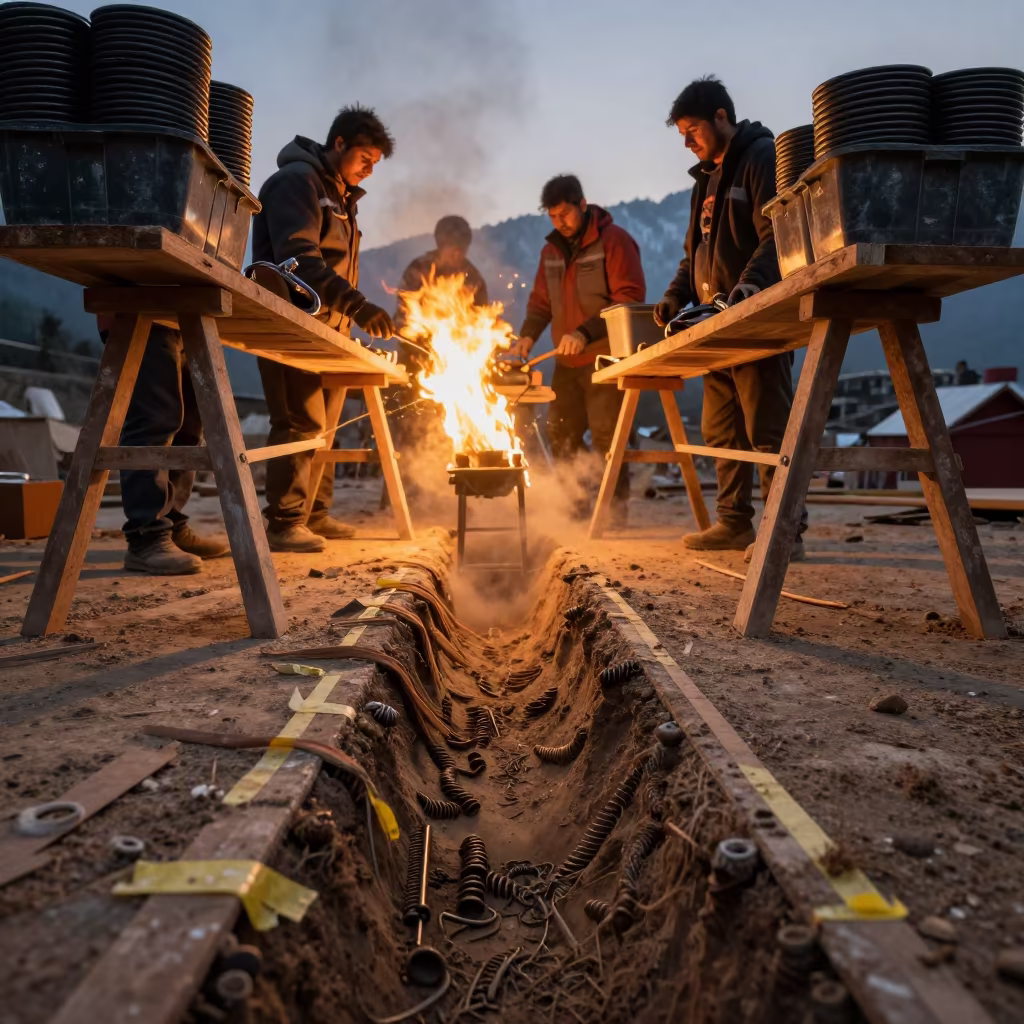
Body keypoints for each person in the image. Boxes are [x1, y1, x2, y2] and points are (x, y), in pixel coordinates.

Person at [655, 76, 806, 561]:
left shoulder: (761, 158)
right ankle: (734, 523)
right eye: (681, 133)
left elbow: (775, 234)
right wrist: (676, 295)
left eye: (692, 128)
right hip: (714, 325)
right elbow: (693, 254)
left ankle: (783, 532)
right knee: (721, 430)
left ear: (721, 117)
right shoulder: (706, 179)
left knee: (767, 430)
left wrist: (751, 285)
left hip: (757, 321)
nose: (686, 140)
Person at [252, 105, 396, 553]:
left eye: (375, 165)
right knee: (299, 420)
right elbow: (299, 261)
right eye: (365, 159)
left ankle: (314, 513)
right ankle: (284, 522)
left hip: (330, 330)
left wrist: (350, 317)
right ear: (339, 144)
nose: (369, 171)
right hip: (290, 322)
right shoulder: (296, 183)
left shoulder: (340, 197)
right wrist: (358, 305)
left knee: (326, 426)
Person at [513, 174, 646, 521]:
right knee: (561, 435)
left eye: (566, 214)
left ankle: (613, 512)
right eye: (553, 216)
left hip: (606, 358)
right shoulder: (550, 252)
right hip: (566, 362)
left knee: (607, 439)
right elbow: (541, 303)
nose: (561, 222)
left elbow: (628, 299)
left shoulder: (614, 242)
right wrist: (527, 335)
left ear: (583, 205)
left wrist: (585, 332)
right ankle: (574, 509)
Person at [97, 319, 229, 575]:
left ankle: (172, 523)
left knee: (189, 427)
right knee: (155, 419)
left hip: (182, 317)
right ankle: (146, 534)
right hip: (143, 310)